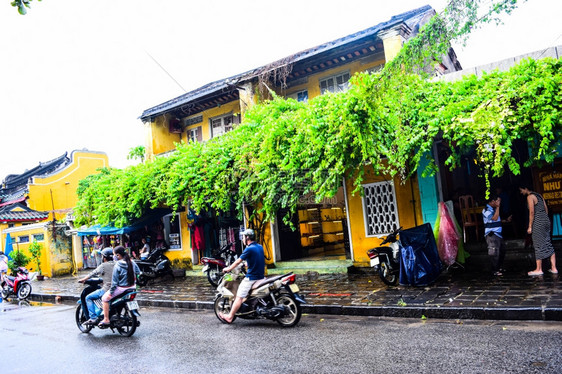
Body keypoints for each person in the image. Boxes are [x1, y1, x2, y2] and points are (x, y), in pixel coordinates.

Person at [218, 228, 265, 324]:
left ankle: (230, 316)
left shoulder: (249, 249)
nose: (242, 239)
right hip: (261, 276)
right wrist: (247, 264)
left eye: (243, 237)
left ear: (247, 238)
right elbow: (256, 259)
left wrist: (228, 268)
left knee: (239, 297)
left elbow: (238, 261)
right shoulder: (259, 246)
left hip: (252, 278)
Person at [519, 186, 558, 276]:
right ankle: (554, 268)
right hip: (546, 220)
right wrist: (545, 218)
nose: (521, 192)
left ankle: (538, 269)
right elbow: (545, 208)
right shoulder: (539, 195)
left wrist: (530, 226)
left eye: (521, 190)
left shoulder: (530, 197)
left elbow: (532, 212)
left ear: (525, 188)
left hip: (538, 222)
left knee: (538, 244)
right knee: (548, 243)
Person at [98, 246, 141, 328]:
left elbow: (114, 282)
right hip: (132, 287)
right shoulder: (132, 262)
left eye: (114, 254)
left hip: (121, 288)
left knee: (104, 298)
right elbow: (138, 272)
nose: (113, 256)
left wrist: (111, 292)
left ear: (118, 255)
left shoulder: (118, 265)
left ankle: (106, 319)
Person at [78, 248, 114, 325]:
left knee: (88, 297)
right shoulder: (116, 264)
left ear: (104, 257)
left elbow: (93, 273)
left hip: (106, 289)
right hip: (117, 289)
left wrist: (83, 279)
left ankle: (93, 318)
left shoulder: (103, 265)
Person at [482, 194, 511, 276]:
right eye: (498, 201)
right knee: (494, 252)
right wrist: (498, 207)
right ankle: (494, 270)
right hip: (492, 234)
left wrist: (505, 220)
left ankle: (499, 267)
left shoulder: (493, 209)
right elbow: (494, 218)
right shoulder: (486, 210)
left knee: (502, 250)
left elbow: (496, 220)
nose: (499, 203)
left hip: (498, 234)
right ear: (492, 201)